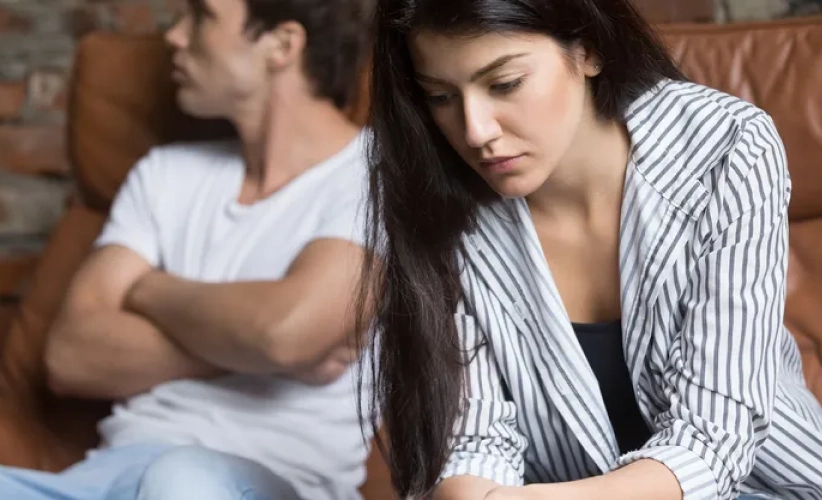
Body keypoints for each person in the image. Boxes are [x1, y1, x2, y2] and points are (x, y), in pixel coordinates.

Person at [357, 0, 822, 499]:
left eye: (505, 84)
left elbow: (714, 439)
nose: (475, 131)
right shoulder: (440, 196)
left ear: (589, 49)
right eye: (441, 96)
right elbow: (474, 441)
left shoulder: (724, 147)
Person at [0, 0, 375, 499]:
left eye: (201, 16)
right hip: (106, 477)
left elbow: (282, 333)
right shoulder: (164, 173)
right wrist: (257, 349)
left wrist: (147, 289)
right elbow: (70, 357)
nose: (175, 37)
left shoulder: (378, 179)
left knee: (179, 479)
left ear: (282, 44)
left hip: (262, 482)